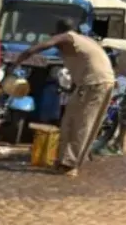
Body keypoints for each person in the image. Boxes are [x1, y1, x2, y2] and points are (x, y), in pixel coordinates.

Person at [19, 19, 116, 176]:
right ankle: (64, 160)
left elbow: (45, 44)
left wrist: (21, 57)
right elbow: (82, 64)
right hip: (94, 83)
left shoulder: (68, 37)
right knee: (69, 122)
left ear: (60, 31)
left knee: (82, 123)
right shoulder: (83, 40)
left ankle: (70, 165)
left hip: (94, 84)